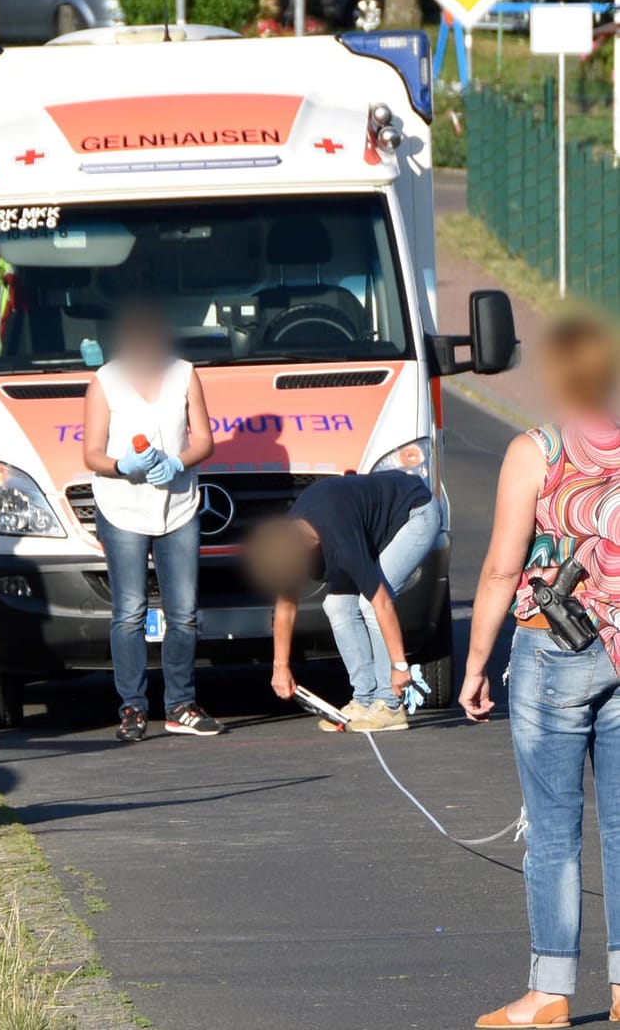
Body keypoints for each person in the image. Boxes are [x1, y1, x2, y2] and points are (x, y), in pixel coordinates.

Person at [463, 319, 620, 1029]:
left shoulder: (537, 452)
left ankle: (550, 993)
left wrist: (475, 665)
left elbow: (500, 570)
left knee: (555, 828)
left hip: (551, 648)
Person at [81, 303, 224, 742]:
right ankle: (132, 707)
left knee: (183, 612)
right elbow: (91, 454)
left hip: (178, 505)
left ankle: (181, 704)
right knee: (130, 611)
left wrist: (177, 462)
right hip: (122, 508)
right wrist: (122, 466)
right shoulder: (104, 383)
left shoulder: (184, 374)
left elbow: (205, 441)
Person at [245, 469, 441, 734]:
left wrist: (400, 665)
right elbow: (285, 607)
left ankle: (390, 705)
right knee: (337, 606)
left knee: (369, 604)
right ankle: (364, 699)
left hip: (415, 513)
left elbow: (381, 602)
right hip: (369, 524)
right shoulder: (288, 538)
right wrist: (280, 667)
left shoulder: (341, 542)